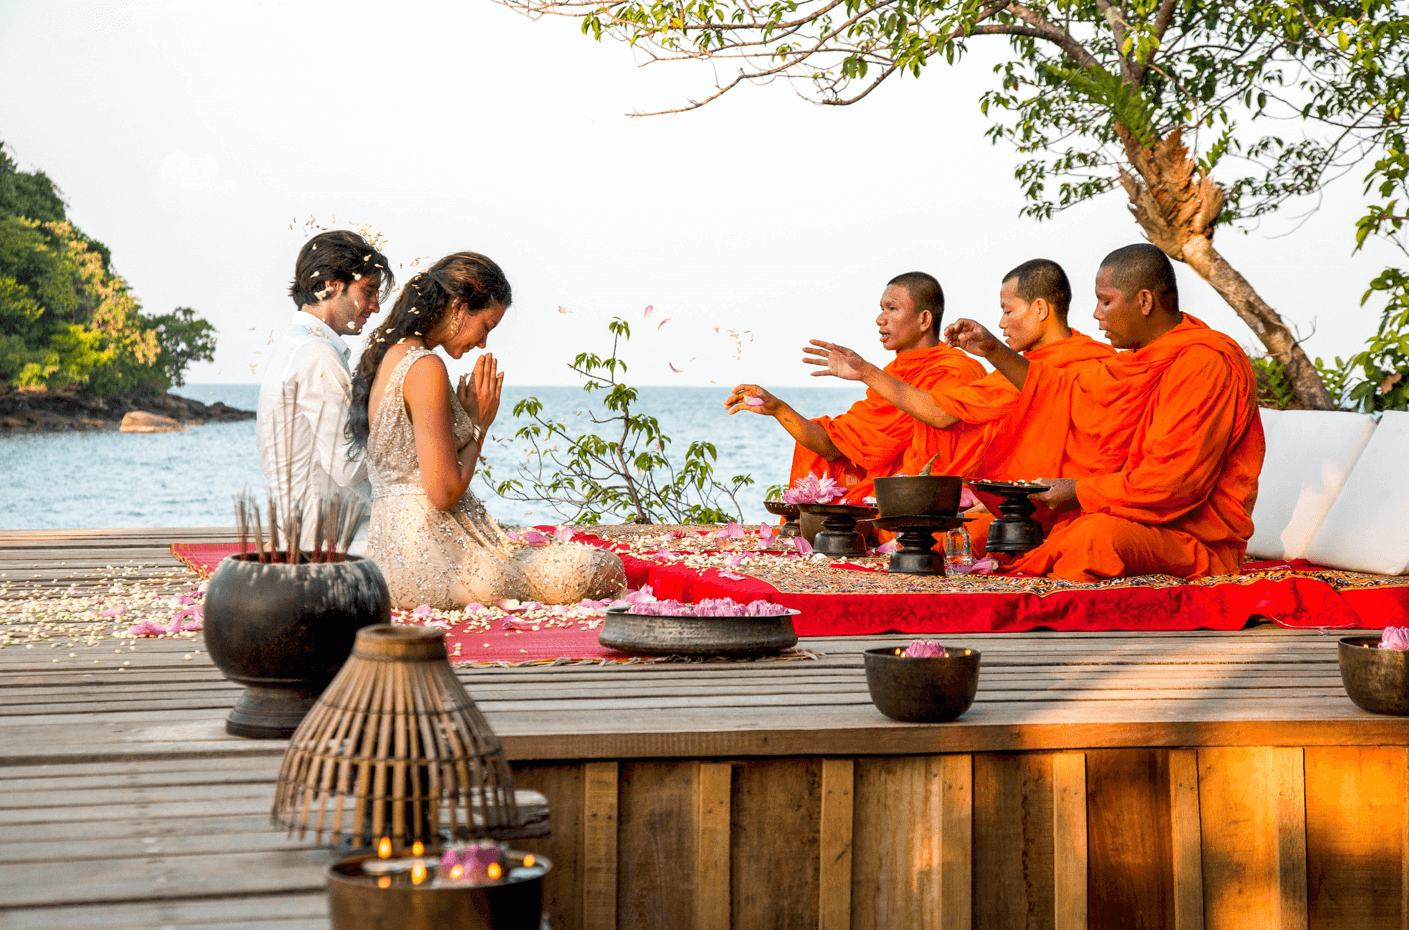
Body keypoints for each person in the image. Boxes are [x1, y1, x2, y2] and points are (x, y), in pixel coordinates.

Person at [945, 243, 1265, 582]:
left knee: (1092, 541)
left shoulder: (1204, 363)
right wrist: (993, 350)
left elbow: (1175, 484)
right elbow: (1063, 388)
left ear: (1144, 301)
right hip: (1129, 518)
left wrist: (1079, 491)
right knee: (1015, 534)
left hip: (1192, 538)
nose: (1097, 313)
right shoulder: (1134, 361)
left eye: (1106, 301)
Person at [347, 252, 626, 609]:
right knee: (604, 567)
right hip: (434, 568)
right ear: (460, 307)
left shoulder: (388, 355)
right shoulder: (425, 367)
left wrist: (460, 421)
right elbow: (444, 492)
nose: (483, 344)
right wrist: (479, 425)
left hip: (390, 564)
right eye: (488, 326)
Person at [804, 259, 1116, 549]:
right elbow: (944, 415)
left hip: (1083, 503)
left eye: (1008, 311)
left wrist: (865, 372)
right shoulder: (1013, 373)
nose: (1002, 322)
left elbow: (1115, 450)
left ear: (1040, 309)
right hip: (1019, 507)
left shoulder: (1097, 363)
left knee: (949, 542)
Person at [725, 272, 985, 501]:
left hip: (936, 502)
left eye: (892, 309)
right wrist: (778, 408)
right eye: (881, 309)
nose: (879, 319)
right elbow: (835, 446)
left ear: (924, 320)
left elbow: (941, 416)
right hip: (887, 500)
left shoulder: (957, 370)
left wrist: (865, 372)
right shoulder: (892, 377)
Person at [257, 230, 393, 551]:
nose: (374, 306)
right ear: (331, 284)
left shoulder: (295, 345)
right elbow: (347, 466)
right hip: (324, 543)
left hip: (299, 531)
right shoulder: (318, 354)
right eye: (368, 290)